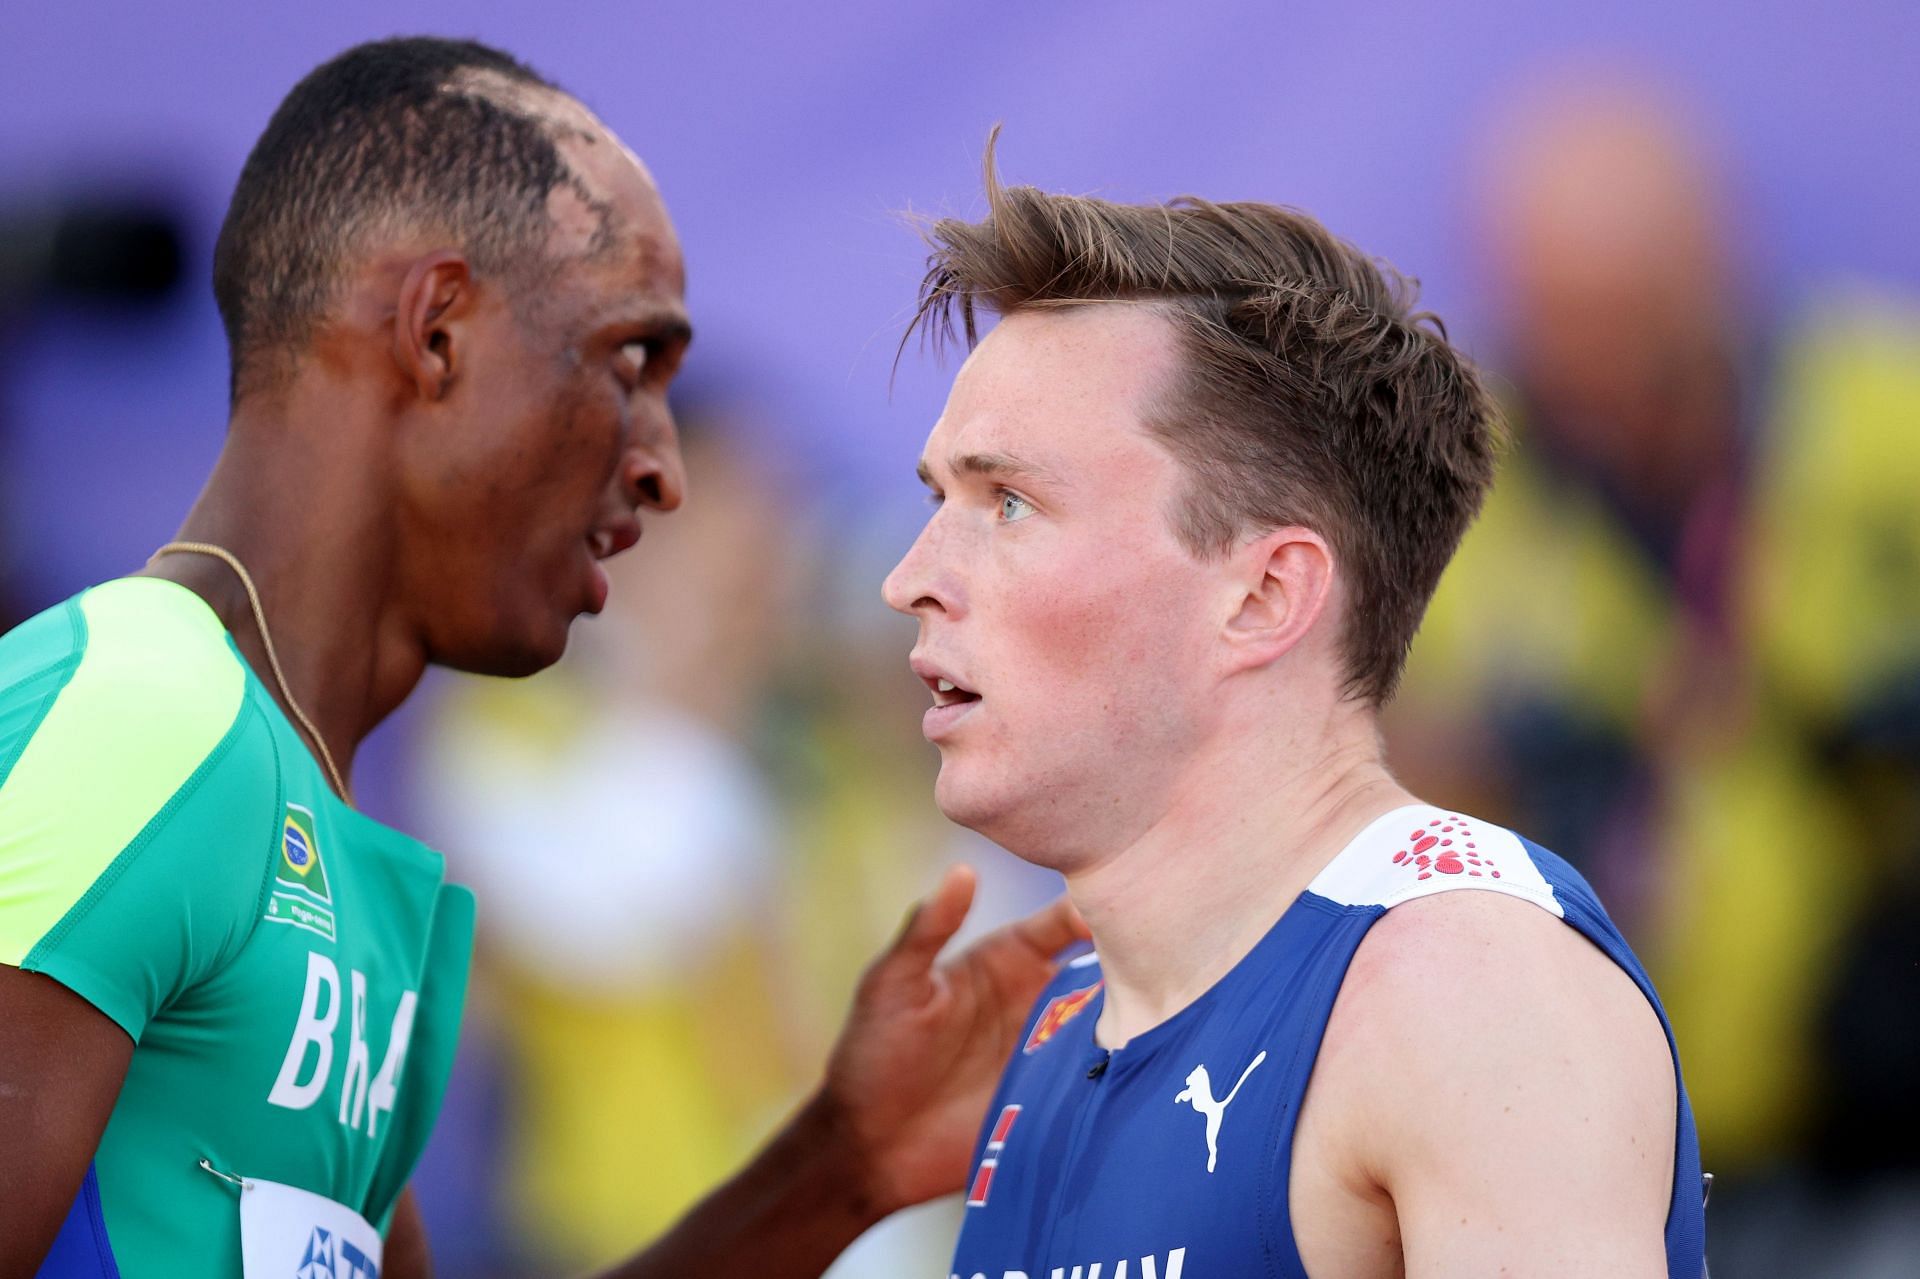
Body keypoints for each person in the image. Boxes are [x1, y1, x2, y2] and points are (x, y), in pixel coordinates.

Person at [0, 38, 1085, 1279]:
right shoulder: (135, 718)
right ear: (436, 336)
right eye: (626, 364)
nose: (660, 467)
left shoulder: (336, 847)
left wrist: (848, 1160)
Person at [883, 145, 1707, 1278]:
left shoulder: (1465, 987)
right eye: (941, 499)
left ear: (1264, 595)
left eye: (1009, 501)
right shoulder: (1062, 1018)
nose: (910, 575)